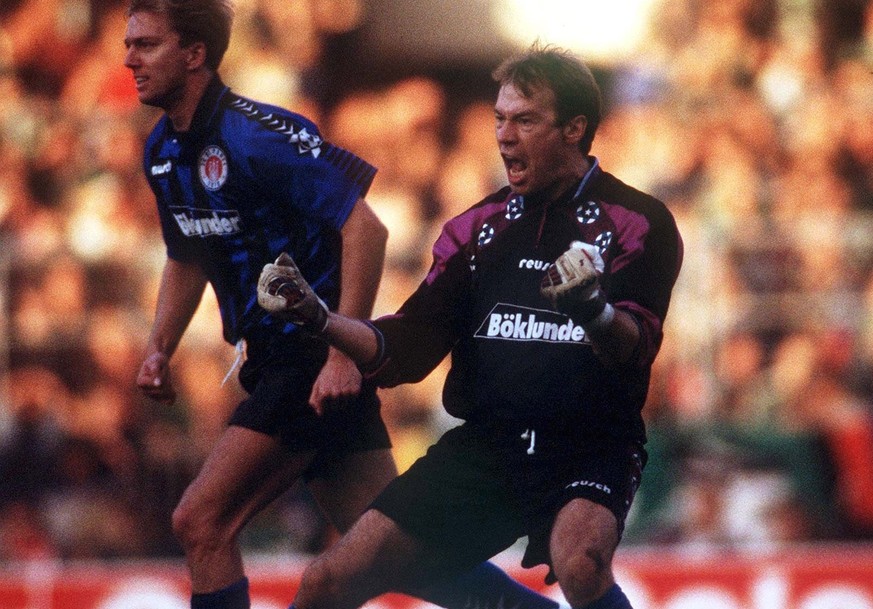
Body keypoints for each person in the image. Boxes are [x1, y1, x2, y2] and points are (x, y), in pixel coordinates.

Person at [125, 2, 562, 609]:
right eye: (130, 44)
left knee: (199, 521)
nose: (129, 59)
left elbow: (367, 230)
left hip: (306, 358)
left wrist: (340, 352)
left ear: (194, 53)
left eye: (146, 45)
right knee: (404, 559)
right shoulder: (161, 151)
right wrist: (159, 347)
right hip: (279, 363)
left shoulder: (257, 135)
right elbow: (187, 255)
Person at [257, 44, 684, 609]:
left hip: (590, 444)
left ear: (575, 129)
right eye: (499, 119)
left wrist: (591, 310)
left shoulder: (640, 221)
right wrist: (320, 317)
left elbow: (636, 348)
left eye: (525, 120)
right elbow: (406, 351)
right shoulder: (476, 228)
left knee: (580, 563)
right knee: (326, 581)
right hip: (487, 448)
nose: (505, 136)